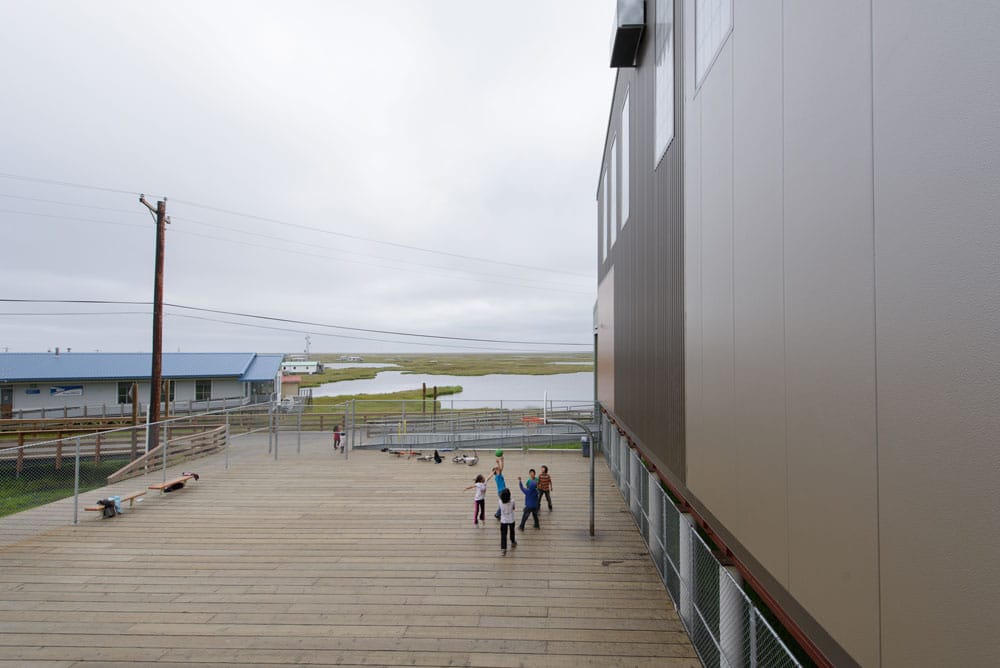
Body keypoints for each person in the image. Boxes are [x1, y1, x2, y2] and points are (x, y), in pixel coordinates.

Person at [498, 488, 517, 555]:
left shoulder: (500, 501)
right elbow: (514, 508)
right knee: (512, 531)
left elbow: (500, 509)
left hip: (503, 520)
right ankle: (513, 541)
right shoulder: (512, 501)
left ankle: (503, 549)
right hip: (511, 519)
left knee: (503, 534)